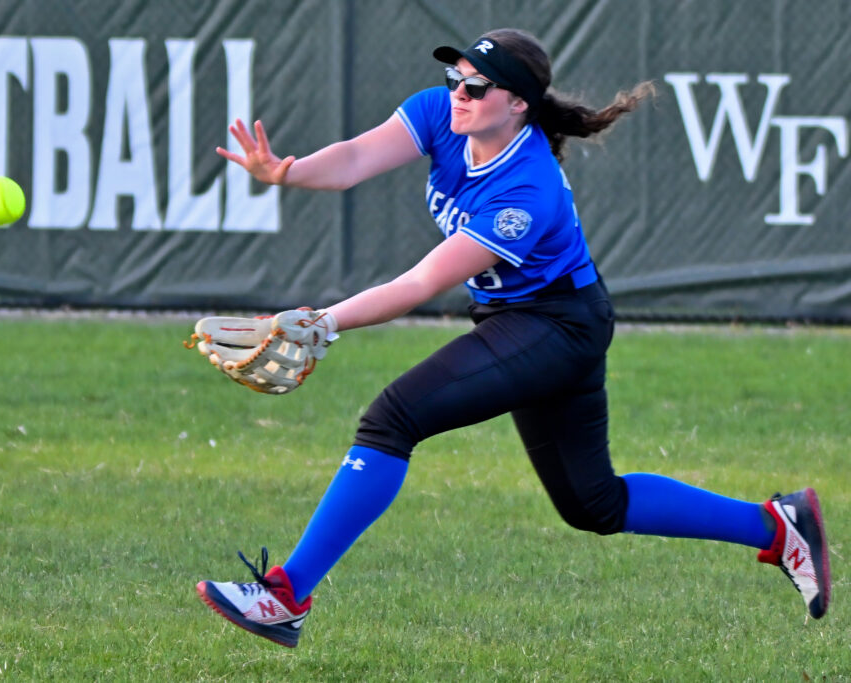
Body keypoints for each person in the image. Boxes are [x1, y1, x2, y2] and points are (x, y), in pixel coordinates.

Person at [195, 28, 831, 648]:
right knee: (593, 504)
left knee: (391, 420)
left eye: (478, 85)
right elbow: (357, 159)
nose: (460, 92)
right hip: (533, 321)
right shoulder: (442, 114)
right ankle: (777, 528)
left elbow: (423, 281)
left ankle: (286, 595)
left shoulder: (526, 189)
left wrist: (325, 321)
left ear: (518, 103)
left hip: (556, 324)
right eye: (457, 77)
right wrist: (287, 172)